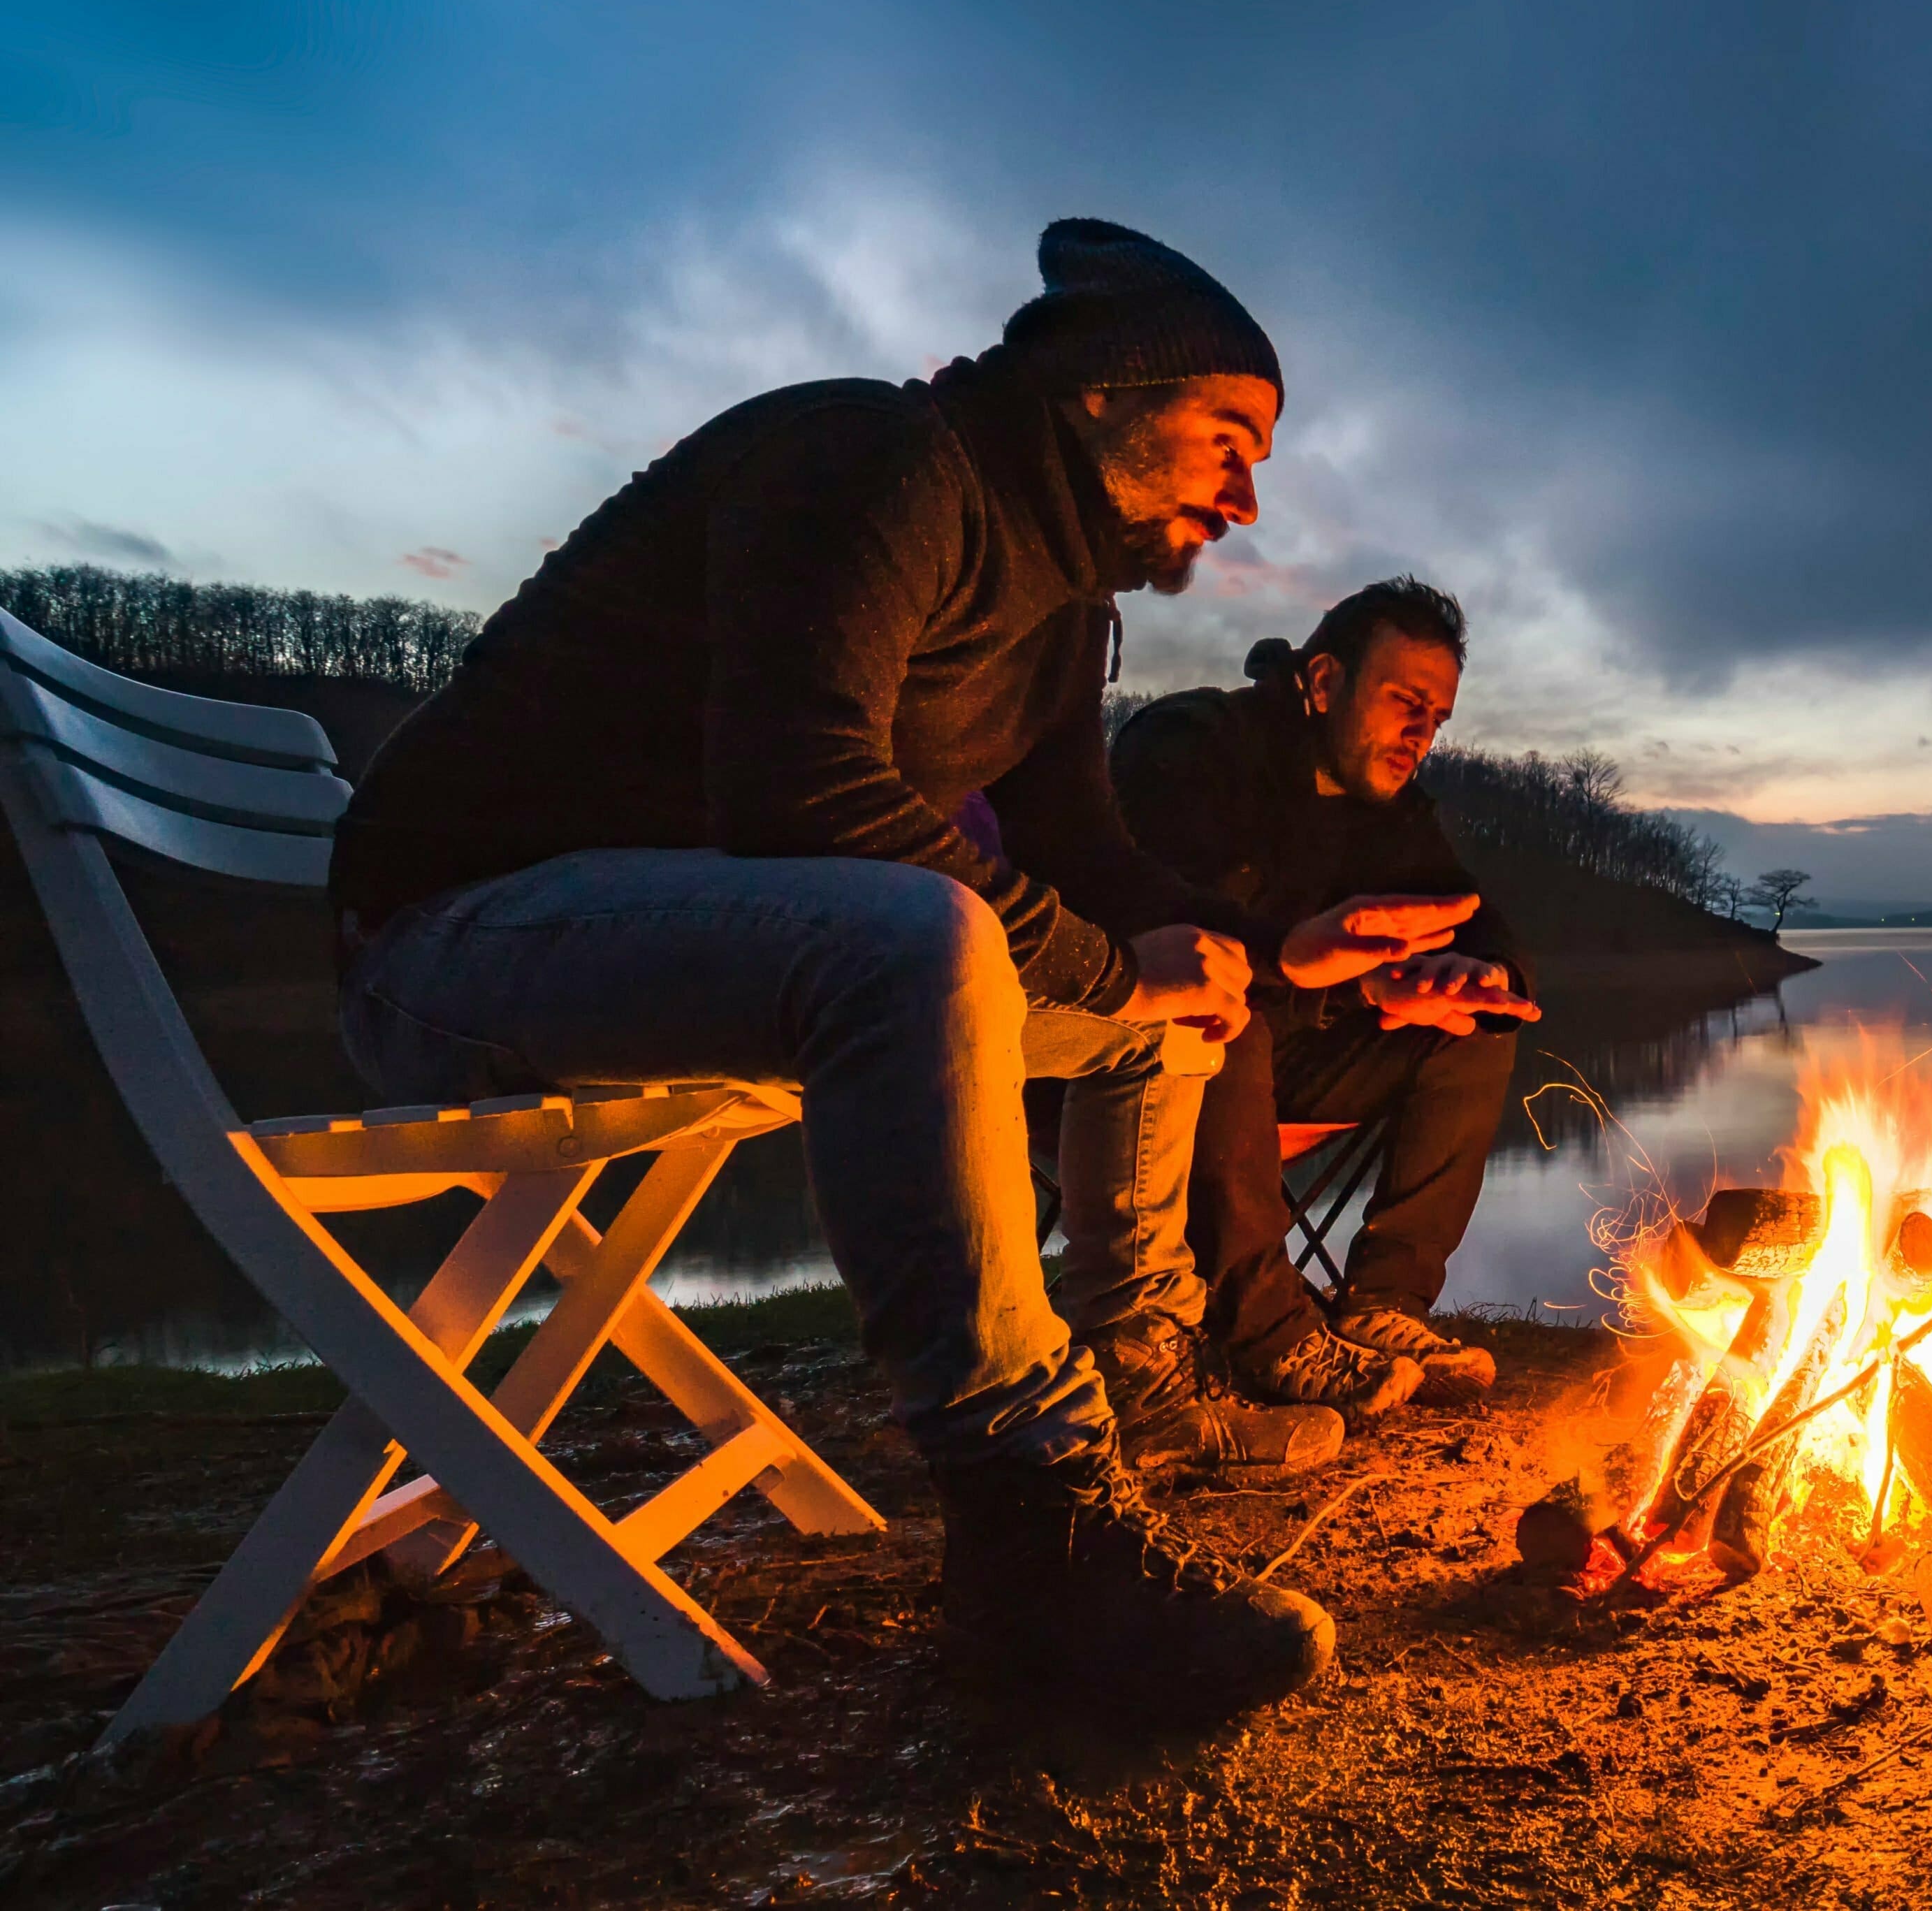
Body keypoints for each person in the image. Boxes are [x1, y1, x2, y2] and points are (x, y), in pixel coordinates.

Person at [324, 219, 1465, 1722]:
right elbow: (802, 795)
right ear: (1100, 395)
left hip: (696, 953)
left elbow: (1086, 858)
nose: (1246, 497)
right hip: (463, 937)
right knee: (917, 928)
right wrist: (1096, 960)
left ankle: (1149, 1394)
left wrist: (1244, 955)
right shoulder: (876, 459)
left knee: (1165, 1022)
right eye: (1226, 437)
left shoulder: (1064, 614)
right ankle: (1032, 1519)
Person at [1104, 579, 1540, 1419]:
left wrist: (1480, 979)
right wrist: (1345, 977)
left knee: (1472, 1028)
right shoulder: (1192, 744)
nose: (1421, 734)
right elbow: (1176, 927)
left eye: (1438, 718)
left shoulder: (1393, 810)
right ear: (1324, 680)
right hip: (1135, 1059)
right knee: (1221, 1005)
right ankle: (1267, 1333)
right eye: (1405, 701)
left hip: (1289, 1057)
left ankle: (1385, 1306)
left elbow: (1475, 916)